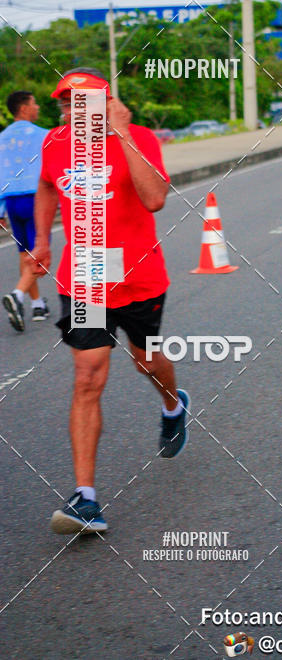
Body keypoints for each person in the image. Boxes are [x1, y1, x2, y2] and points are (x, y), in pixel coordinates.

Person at [27, 68, 188, 535]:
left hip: (139, 276)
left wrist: (121, 133)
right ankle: (86, 499)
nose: (74, 112)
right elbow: (45, 186)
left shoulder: (139, 137)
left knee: (145, 359)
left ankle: (173, 405)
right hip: (87, 278)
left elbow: (156, 198)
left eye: (85, 103)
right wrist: (42, 240)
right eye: (67, 104)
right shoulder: (55, 143)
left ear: (108, 103)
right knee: (87, 375)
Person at [0, 91, 50, 331]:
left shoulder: (2, 138)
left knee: (25, 255)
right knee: (40, 254)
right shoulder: (44, 136)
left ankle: (37, 304)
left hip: (11, 202)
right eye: (34, 103)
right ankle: (17, 295)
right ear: (23, 108)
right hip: (36, 199)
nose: (38, 107)